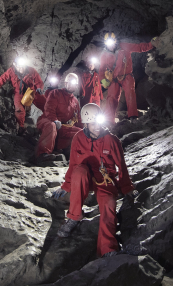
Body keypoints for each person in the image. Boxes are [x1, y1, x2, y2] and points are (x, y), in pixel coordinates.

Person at [51, 103, 138, 258]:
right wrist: (66, 185)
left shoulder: (112, 140)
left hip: (105, 179)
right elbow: (73, 164)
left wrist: (126, 187)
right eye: (92, 124)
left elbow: (121, 166)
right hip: (85, 177)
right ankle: (74, 217)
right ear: (86, 123)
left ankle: (107, 248)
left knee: (109, 205)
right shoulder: (78, 138)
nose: (96, 127)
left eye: (98, 123)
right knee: (79, 171)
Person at [98, 33, 157, 125]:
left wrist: (151, 44)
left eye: (112, 43)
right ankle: (109, 121)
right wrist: (103, 80)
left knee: (130, 94)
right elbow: (101, 70)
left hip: (127, 76)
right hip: (114, 78)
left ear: (115, 41)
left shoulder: (124, 46)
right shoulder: (104, 55)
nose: (110, 46)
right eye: (108, 44)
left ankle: (133, 117)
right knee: (111, 98)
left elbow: (139, 47)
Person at [0, 57, 43, 135]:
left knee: (45, 103)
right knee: (19, 109)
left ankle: (50, 121)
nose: (21, 68)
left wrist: (39, 88)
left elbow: (39, 81)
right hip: (19, 93)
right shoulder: (11, 71)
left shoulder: (31, 70)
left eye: (23, 66)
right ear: (15, 65)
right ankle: (21, 128)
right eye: (19, 66)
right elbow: (1, 80)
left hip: (31, 92)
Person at [35, 73, 83, 162]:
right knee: (52, 125)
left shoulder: (75, 101)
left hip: (61, 126)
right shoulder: (55, 93)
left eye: (74, 83)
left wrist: (86, 131)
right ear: (65, 83)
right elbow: (49, 109)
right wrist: (55, 120)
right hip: (47, 120)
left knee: (80, 133)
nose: (71, 85)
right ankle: (42, 154)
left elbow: (78, 119)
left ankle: (67, 152)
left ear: (76, 85)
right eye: (70, 82)